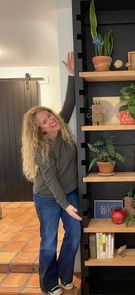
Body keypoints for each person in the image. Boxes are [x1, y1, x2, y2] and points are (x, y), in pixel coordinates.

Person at [21, 52, 82, 295]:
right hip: (48, 197)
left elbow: (69, 103)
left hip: (69, 192)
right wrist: (66, 205)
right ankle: (48, 283)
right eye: (44, 122)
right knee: (48, 243)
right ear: (39, 130)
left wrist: (71, 73)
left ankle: (65, 276)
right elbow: (50, 179)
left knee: (74, 235)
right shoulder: (41, 147)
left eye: (49, 116)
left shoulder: (63, 125)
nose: (50, 121)